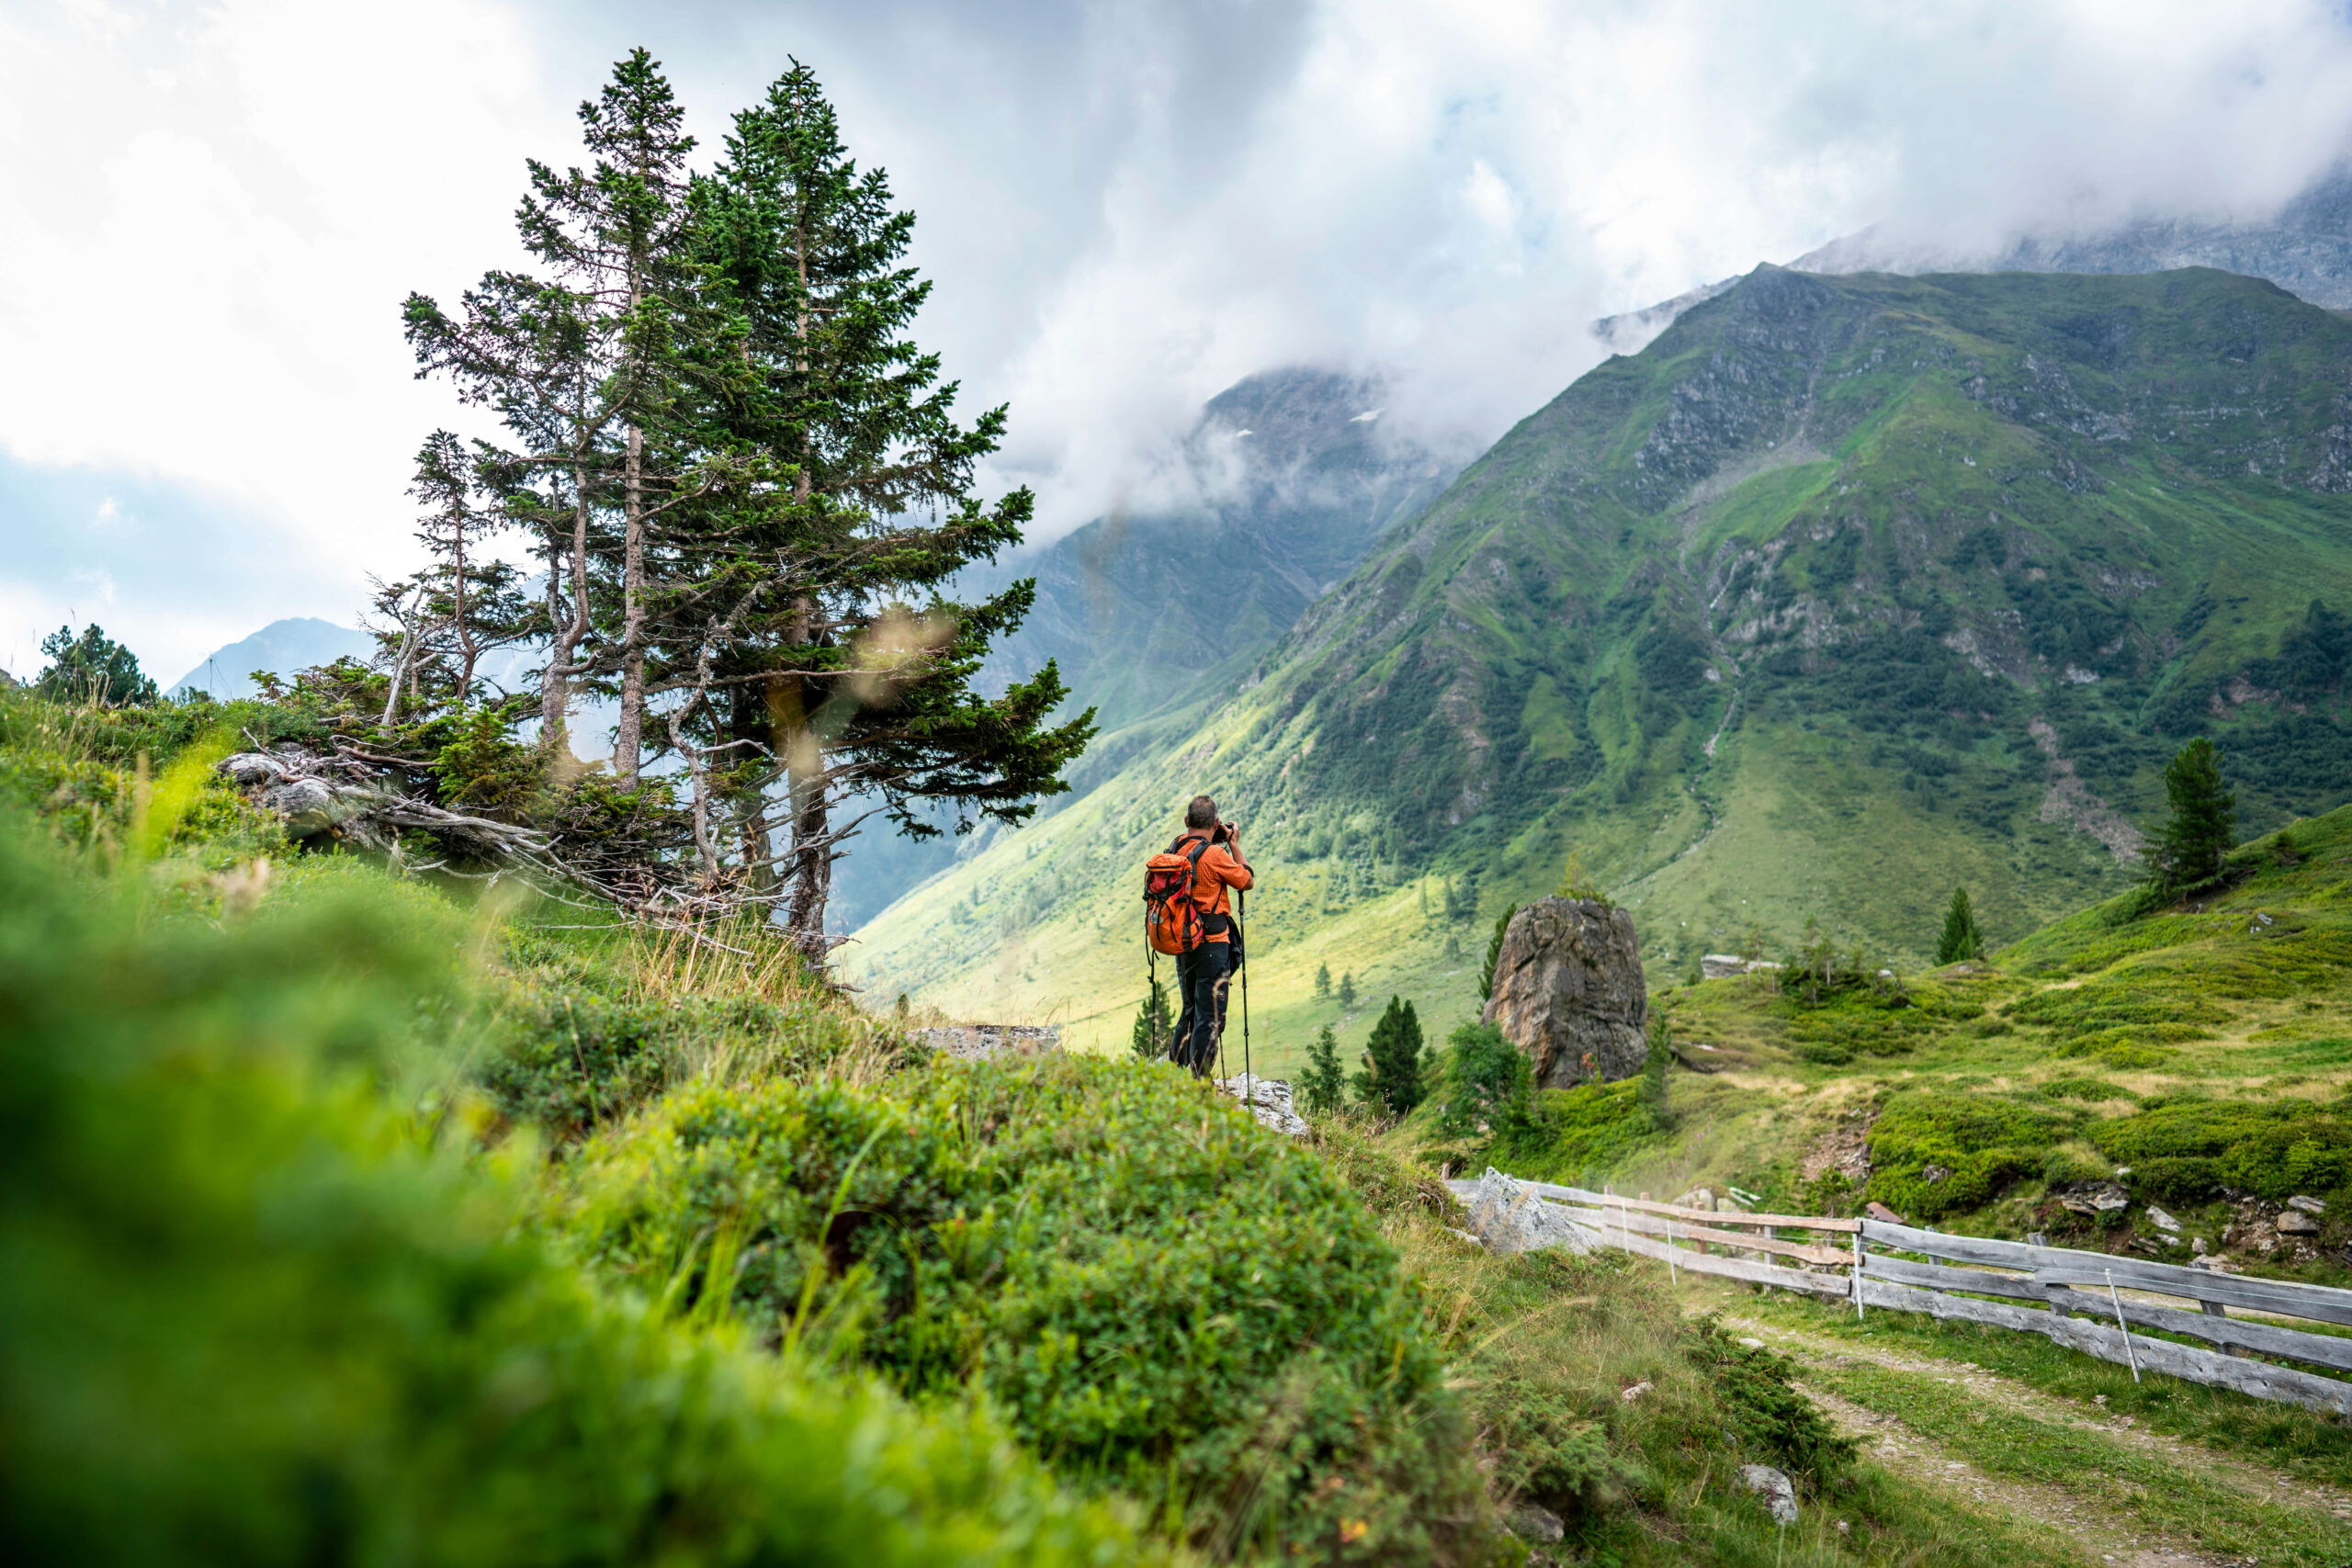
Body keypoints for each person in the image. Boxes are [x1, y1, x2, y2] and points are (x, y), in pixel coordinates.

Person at [1170, 794, 1251, 1077]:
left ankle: (1175, 1075)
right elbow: (1246, 880)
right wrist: (1233, 843)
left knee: (1190, 1010)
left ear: (1186, 821)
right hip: (1212, 946)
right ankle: (1199, 1081)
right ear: (1216, 823)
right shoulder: (1216, 855)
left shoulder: (1175, 848)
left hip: (1182, 942)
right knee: (1211, 1018)